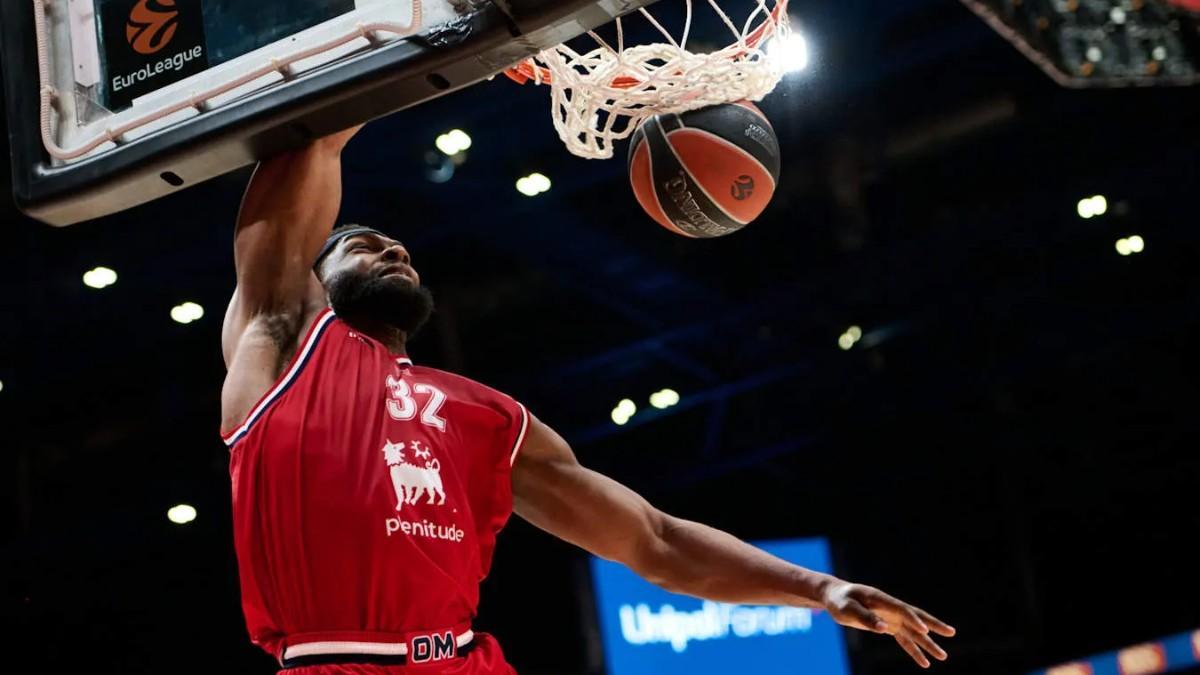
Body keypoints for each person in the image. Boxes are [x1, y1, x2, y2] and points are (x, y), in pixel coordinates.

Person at [219, 125, 955, 673]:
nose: (395, 250)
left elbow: (655, 540)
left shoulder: (490, 417)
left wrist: (819, 588)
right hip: (333, 660)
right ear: (312, 280)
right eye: (364, 245)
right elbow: (310, 138)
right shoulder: (281, 340)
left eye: (399, 247)